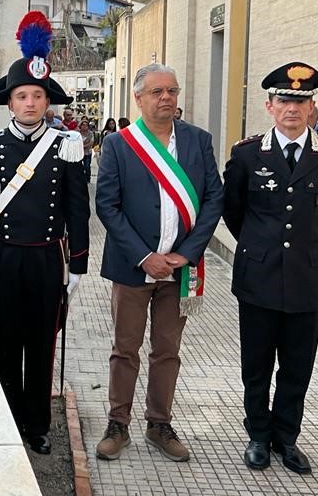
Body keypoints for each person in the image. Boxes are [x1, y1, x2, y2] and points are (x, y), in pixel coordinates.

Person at [0, 11, 89, 456]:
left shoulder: (65, 145)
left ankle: (37, 424)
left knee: (41, 344)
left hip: (46, 259)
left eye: (37, 95)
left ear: (46, 101)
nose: (31, 103)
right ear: (10, 102)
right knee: (7, 342)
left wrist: (77, 266)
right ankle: (7, 419)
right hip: (4, 258)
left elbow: (78, 207)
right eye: (22, 95)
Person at [223, 62, 318, 474]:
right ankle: (259, 436)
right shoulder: (247, 154)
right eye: (284, 100)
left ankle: (287, 438)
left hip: (308, 277)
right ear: (269, 105)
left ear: (312, 105)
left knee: (298, 365)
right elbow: (234, 213)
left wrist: (307, 249)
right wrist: (263, 248)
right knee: (257, 363)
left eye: (300, 100)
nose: (292, 108)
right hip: (259, 275)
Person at [94, 63, 223, 463]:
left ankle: (159, 424)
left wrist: (186, 254)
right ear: (138, 98)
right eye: (157, 92)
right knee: (125, 348)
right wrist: (145, 257)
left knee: (167, 349)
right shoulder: (119, 144)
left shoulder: (198, 141)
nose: (166, 98)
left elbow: (214, 199)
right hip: (134, 268)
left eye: (172, 91)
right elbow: (107, 206)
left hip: (180, 269)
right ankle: (118, 423)